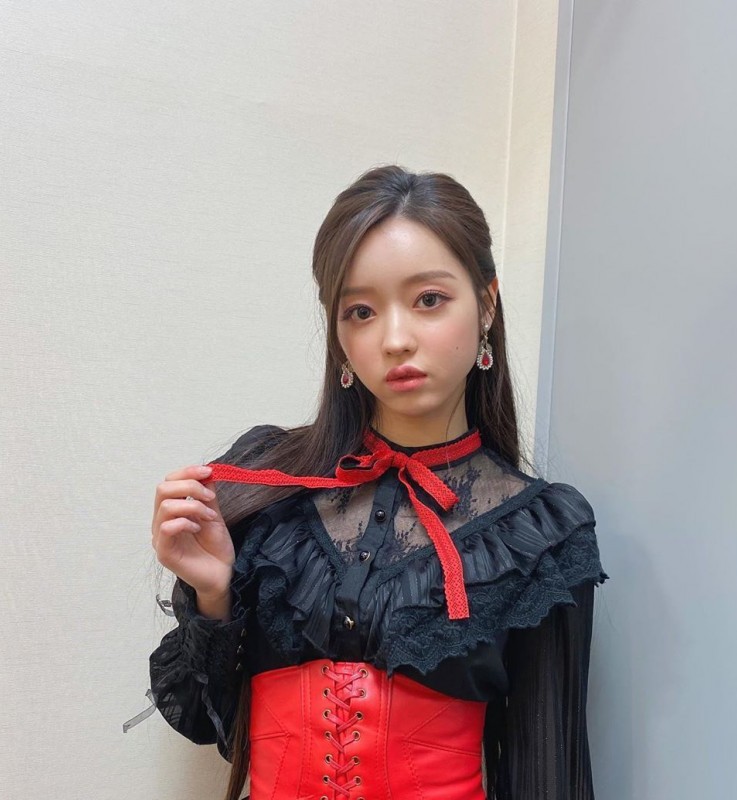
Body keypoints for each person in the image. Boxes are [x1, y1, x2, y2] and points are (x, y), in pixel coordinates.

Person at [124, 164, 609, 800]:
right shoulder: (271, 488)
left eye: (428, 300)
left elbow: (546, 774)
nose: (395, 339)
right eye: (361, 311)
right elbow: (200, 716)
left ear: (487, 303)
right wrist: (212, 594)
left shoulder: (540, 532)